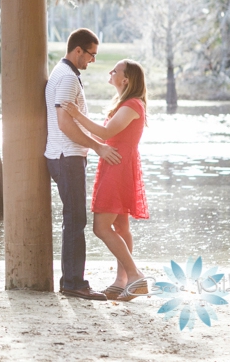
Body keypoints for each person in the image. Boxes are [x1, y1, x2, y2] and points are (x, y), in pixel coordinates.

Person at [62, 59, 149, 301]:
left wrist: (76, 114)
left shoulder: (132, 105)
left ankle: (135, 275)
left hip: (118, 167)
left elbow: (105, 133)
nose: (110, 72)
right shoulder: (126, 103)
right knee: (121, 227)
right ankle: (122, 281)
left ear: (126, 79)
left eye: (115, 70)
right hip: (116, 163)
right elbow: (107, 134)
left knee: (101, 227)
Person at [45, 28, 120, 301]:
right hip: (67, 157)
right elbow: (65, 124)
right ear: (78, 50)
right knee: (76, 220)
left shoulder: (65, 74)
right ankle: (74, 283)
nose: (93, 60)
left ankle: (71, 281)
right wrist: (97, 147)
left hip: (65, 156)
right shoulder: (66, 78)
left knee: (74, 219)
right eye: (91, 54)